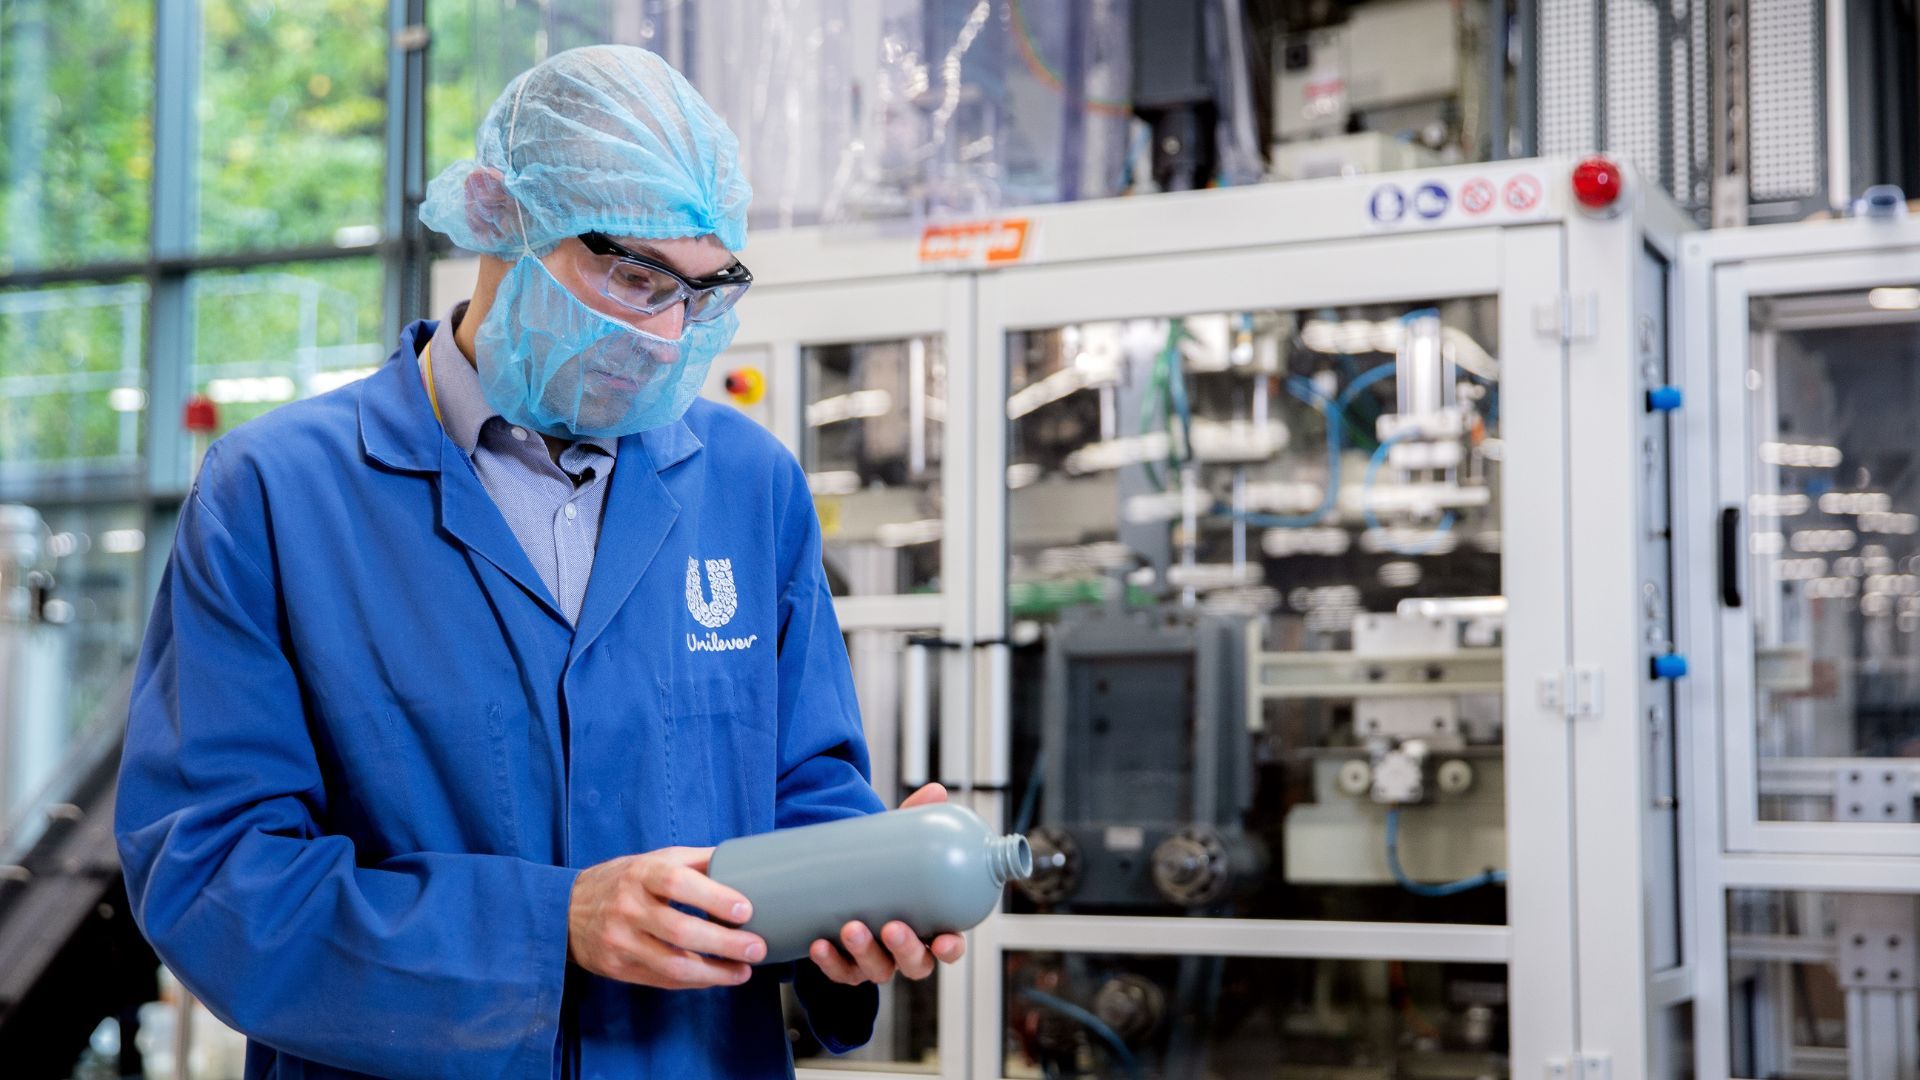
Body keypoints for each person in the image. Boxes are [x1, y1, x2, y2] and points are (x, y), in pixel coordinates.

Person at [114, 45, 959, 1079]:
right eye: (633, 275)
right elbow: (213, 876)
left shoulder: (748, 485)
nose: (663, 334)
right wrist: (547, 927)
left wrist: (860, 890)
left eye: (700, 292)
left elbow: (804, 787)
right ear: (496, 217)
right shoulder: (276, 496)